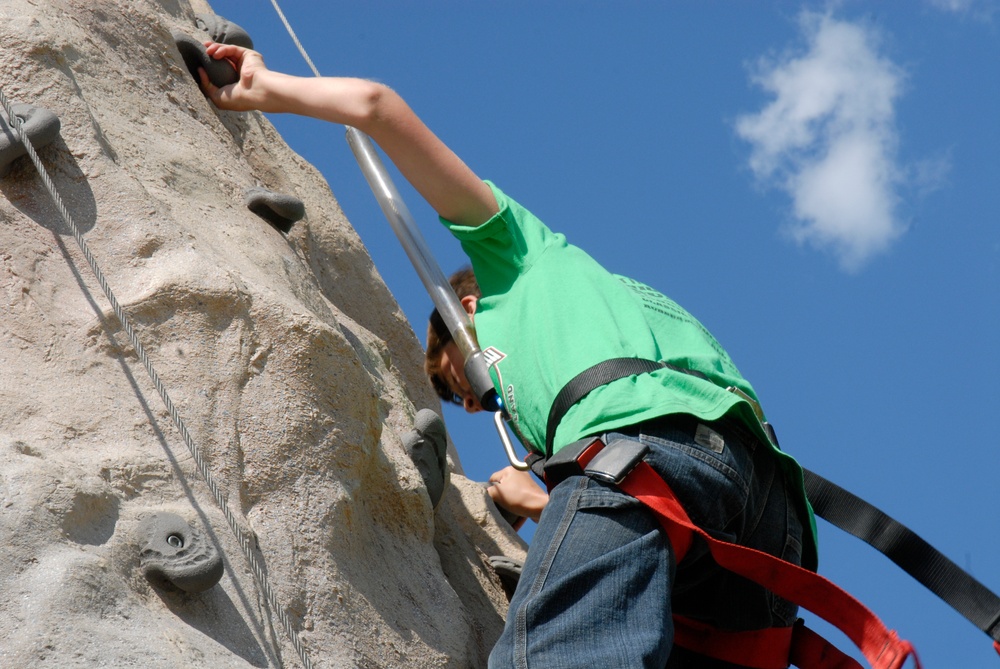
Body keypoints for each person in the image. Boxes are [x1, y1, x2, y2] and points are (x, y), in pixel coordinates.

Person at [202, 42, 816, 668]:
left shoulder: (515, 258)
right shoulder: (625, 308)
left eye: (466, 380)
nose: (479, 401)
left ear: (466, 310)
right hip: (768, 519)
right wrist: (546, 502)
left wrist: (263, 87)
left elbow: (375, 106)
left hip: (646, 456)